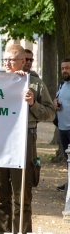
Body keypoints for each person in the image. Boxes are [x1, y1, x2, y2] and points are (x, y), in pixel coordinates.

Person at [0, 44, 54, 234]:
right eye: (5, 60)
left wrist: (33, 103)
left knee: (21, 195)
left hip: (24, 139)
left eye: (12, 60)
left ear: (23, 61)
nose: (7, 64)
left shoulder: (33, 82)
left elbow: (50, 114)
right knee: (0, 196)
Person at [54, 57, 70, 192]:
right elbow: (58, 100)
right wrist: (56, 103)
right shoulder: (61, 85)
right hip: (63, 128)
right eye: (63, 68)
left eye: (68, 68)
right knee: (67, 159)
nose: (65, 71)